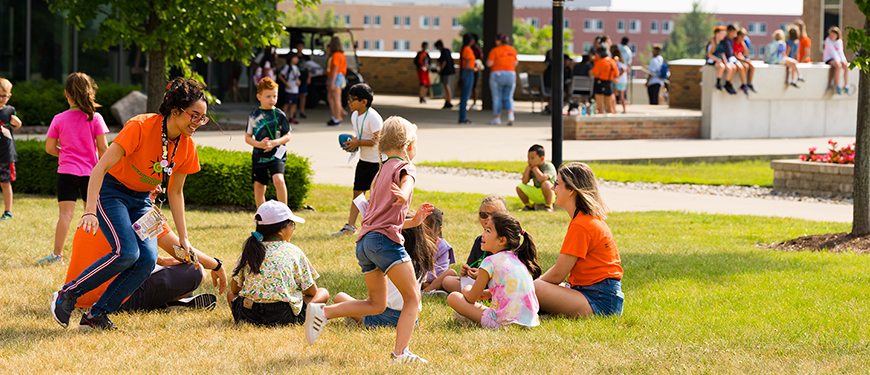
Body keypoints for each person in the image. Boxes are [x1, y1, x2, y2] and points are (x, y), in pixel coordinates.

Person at [50, 77, 206, 330]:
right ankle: (67, 294)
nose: (198, 122)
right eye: (195, 116)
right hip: (113, 192)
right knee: (127, 252)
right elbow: (99, 169)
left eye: (203, 117)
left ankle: (96, 315)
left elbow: (176, 193)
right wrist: (89, 210)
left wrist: (185, 238)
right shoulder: (141, 126)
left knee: (147, 259)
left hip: (142, 200)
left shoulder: (187, 147)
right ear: (176, 111)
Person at [304, 116, 434, 364]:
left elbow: (377, 218)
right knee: (412, 299)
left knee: (376, 303)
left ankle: (323, 311)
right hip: (384, 243)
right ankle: (400, 354)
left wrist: (413, 222)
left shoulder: (380, 172)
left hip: (365, 243)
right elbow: (407, 183)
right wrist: (404, 194)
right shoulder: (405, 167)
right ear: (409, 144)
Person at [65, 214, 225, 314]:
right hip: (111, 299)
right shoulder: (142, 212)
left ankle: (172, 302)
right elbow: (183, 253)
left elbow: (116, 248)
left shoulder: (103, 205)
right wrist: (216, 264)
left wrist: (161, 260)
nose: (158, 189)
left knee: (167, 273)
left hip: (79, 297)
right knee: (195, 272)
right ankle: (168, 303)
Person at [534, 162, 624, 318]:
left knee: (532, 288)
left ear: (571, 190)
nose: (552, 188)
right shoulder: (584, 220)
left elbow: (557, 275)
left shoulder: (582, 224)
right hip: (595, 294)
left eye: (557, 184)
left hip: (599, 301)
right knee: (534, 287)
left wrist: (532, 285)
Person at [39, 72, 110, 265]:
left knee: (65, 216)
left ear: (66, 93)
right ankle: (97, 255)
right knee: (94, 214)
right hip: (92, 176)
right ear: (89, 92)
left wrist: (66, 153)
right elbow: (104, 149)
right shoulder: (95, 118)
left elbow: (49, 148)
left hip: (66, 173)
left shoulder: (59, 119)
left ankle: (56, 255)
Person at [228, 200, 329, 326]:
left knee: (230, 294)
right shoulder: (293, 251)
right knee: (323, 292)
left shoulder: (249, 251)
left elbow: (234, 289)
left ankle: (242, 319)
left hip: (249, 314)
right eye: (292, 224)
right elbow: (312, 292)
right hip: (284, 316)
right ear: (280, 231)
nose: (293, 228)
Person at [333, 215, 434, 327]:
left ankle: (339, 315)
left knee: (340, 297)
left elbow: (374, 299)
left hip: (382, 316)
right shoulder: (421, 261)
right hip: (411, 318)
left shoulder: (388, 260)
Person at [446, 211, 541, 329]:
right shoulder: (519, 259)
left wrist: (466, 289)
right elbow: (507, 289)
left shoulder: (489, 262)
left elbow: (471, 298)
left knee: (454, 297)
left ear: (502, 240)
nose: (482, 234)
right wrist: (484, 294)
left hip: (504, 323)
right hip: (530, 322)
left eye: (488, 231)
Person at [332, 83, 384, 236]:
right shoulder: (355, 115)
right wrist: (353, 142)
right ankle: (350, 227)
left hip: (377, 162)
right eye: (348, 99)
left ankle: (377, 227)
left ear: (364, 102)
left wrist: (358, 142)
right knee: (358, 194)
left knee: (376, 196)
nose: (349, 102)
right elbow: (361, 136)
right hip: (364, 160)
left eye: (352, 99)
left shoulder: (373, 117)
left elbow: (379, 140)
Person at [441, 195, 507, 295]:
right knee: (448, 281)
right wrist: (466, 271)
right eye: (484, 215)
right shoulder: (479, 240)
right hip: (478, 284)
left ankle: (480, 294)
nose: (488, 218)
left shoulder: (506, 241)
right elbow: (471, 264)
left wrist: (483, 276)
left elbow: (508, 273)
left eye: (494, 215)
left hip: (500, 284)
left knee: (455, 295)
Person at [245, 77, 292, 208]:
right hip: (259, 157)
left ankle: (284, 213)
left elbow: (288, 135)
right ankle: (262, 215)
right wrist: (259, 144)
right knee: (259, 187)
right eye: (268, 96)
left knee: (279, 180)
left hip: (276, 155)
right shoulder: (253, 116)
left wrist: (275, 143)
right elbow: (247, 137)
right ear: (259, 97)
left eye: (275, 96)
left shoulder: (280, 115)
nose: (272, 99)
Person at [420, 208, 456, 296]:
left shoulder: (443, 247)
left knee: (451, 273)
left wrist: (425, 278)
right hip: (419, 278)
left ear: (438, 230)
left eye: (428, 227)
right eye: (421, 226)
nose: (424, 230)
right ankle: (428, 290)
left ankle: (424, 292)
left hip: (434, 279)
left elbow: (441, 270)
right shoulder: (417, 243)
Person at [0, 78, 22, 221]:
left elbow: (16, 125)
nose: (1, 99)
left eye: (4, 96)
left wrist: (18, 123)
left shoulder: (9, 111)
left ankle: (8, 211)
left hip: (5, 154)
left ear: (9, 96)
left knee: (5, 182)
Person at [487, 33, 519, 126]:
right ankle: (510, 115)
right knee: (509, 97)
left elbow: (489, 63)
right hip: (511, 74)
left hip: (497, 74)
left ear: (498, 41)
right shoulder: (512, 50)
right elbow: (516, 62)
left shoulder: (495, 50)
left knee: (497, 97)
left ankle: (497, 118)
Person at [516, 144, 557, 212]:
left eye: (532, 158)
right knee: (519, 187)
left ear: (542, 158)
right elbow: (524, 182)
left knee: (545, 183)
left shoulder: (548, 166)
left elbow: (542, 179)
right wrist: (527, 170)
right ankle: (528, 206)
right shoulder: (531, 168)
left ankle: (549, 206)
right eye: (528, 158)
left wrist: (535, 170)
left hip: (551, 194)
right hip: (538, 193)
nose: (529, 161)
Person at [707, 26, 737, 94]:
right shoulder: (712, 42)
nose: (724, 35)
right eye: (722, 34)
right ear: (717, 34)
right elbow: (709, 54)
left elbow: (723, 53)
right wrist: (717, 59)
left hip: (720, 59)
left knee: (730, 67)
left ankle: (728, 83)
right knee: (721, 66)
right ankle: (718, 83)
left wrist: (725, 61)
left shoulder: (722, 43)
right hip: (712, 60)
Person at [326, 37, 347, 126]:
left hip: (336, 77)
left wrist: (332, 83)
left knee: (336, 99)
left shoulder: (336, 55)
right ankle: (335, 116)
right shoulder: (342, 55)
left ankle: (337, 118)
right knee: (331, 98)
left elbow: (335, 69)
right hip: (340, 76)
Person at [591, 47, 618, 114]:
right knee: (609, 108)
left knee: (601, 108)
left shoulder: (601, 62)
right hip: (609, 83)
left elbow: (594, 73)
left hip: (600, 82)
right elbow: (616, 74)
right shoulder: (612, 61)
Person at [721, 26, 748, 95]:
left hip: (733, 58)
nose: (734, 34)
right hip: (729, 58)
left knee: (741, 67)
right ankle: (729, 84)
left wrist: (743, 43)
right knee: (733, 67)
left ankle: (743, 84)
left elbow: (745, 52)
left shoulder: (733, 39)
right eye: (733, 32)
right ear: (728, 32)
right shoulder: (725, 40)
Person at [824, 26, 851, 95]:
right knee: (838, 66)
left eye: (833, 35)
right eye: (830, 35)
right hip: (829, 57)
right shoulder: (828, 40)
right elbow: (833, 51)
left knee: (846, 67)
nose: (831, 36)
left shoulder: (839, 41)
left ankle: (846, 85)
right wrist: (838, 61)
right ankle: (837, 85)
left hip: (837, 58)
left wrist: (844, 60)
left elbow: (840, 52)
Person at [458, 34, 476, 125]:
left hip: (462, 72)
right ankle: (462, 118)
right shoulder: (468, 50)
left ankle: (462, 117)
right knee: (465, 96)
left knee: (463, 96)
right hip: (468, 73)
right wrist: (475, 69)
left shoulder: (462, 49)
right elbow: (467, 65)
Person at [278, 54, 302, 124]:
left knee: (294, 104)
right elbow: (280, 75)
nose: (296, 60)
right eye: (294, 58)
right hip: (289, 89)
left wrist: (299, 82)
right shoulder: (287, 67)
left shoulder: (296, 67)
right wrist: (286, 83)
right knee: (287, 103)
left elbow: (298, 77)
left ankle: (291, 117)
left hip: (295, 89)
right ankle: (282, 118)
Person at [734, 28, 757, 93]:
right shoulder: (735, 42)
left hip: (742, 57)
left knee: (752, 66)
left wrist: (743, 43)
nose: (743, 39)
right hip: (738, 59)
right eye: (741, 37)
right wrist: (744, 60)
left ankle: (750, 83)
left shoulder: (742, 42)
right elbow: (735, 55)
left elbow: (746, 52)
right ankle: (743, 84)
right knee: (746, 66)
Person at [435, 40, 455, 110]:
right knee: (446, 86)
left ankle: (448, 101)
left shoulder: (443, 52)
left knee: (446, 86)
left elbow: (444, 62)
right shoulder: (447, 51)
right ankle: (447, 100)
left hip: (446, 71)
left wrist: (440, 71)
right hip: (450, 71)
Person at [294, 42, 311, 119]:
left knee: (303, 95)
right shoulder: (294, 57)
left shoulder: (306, 57)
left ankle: (302, 111)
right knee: (295, 95)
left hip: (304, 78)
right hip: (295, 79)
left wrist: (309, 77)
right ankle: (293, 111)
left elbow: (309, 68)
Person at [610, 46, 628, 114]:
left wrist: (617, 76)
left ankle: (614, 110)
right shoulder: (623, 63)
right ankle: (624, 110)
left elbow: (622, 71)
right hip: (624, 81)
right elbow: (626, 70)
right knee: (622, 97)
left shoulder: (617, 63)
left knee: (613, 95)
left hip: (618, 81)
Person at [469, 33, 484, 111]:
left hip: (474, 70)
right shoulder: (468, 49)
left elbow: (480, 60)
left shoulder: (476, 50)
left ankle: (474, 102)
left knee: (475, 87)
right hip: (469, 69)